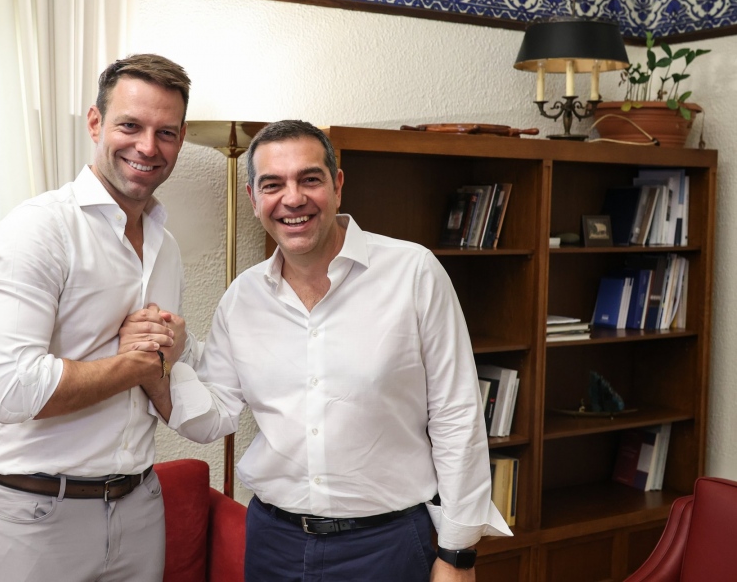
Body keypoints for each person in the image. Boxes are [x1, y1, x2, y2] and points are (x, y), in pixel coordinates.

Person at [131, 120, 512, 581]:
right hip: (274, 544)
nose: (292, 199)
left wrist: (457, 554)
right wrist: (162, 368)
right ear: (253, 198)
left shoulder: (413, 273)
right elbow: (215, 415)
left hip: (386, 547)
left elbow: (457, 414)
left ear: (337, 185)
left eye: (309, 179)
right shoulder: (243, 297)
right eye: (273, 184)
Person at [0, 54, 199, 582]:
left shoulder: (165, 246)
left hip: (140, 507)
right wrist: (140, 363)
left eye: (165, 132)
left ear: (181, 139)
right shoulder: (38, 229)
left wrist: (175, 352)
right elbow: (11, 391)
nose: (148, 146)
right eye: (130, 125)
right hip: (38, 517)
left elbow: (167, 376)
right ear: (95, 123)